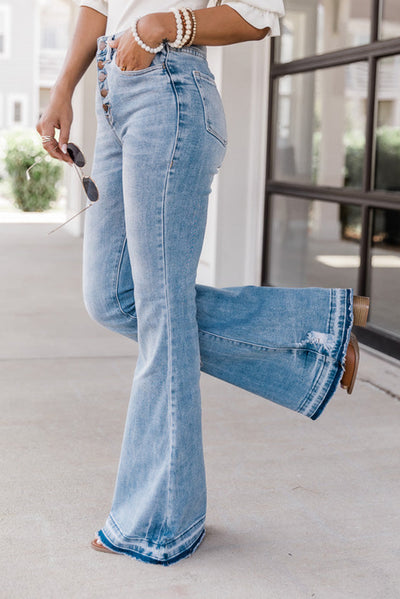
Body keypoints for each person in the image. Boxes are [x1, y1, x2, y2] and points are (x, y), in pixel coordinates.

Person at [37, 0, 370, 566]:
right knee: (112, 298)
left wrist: (161, 26)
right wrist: (62, 88)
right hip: (110, 94)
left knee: (163, 312)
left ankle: (163, 520)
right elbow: (96, 7)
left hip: (170, 89)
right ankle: (317, 328)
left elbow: (258, 14)